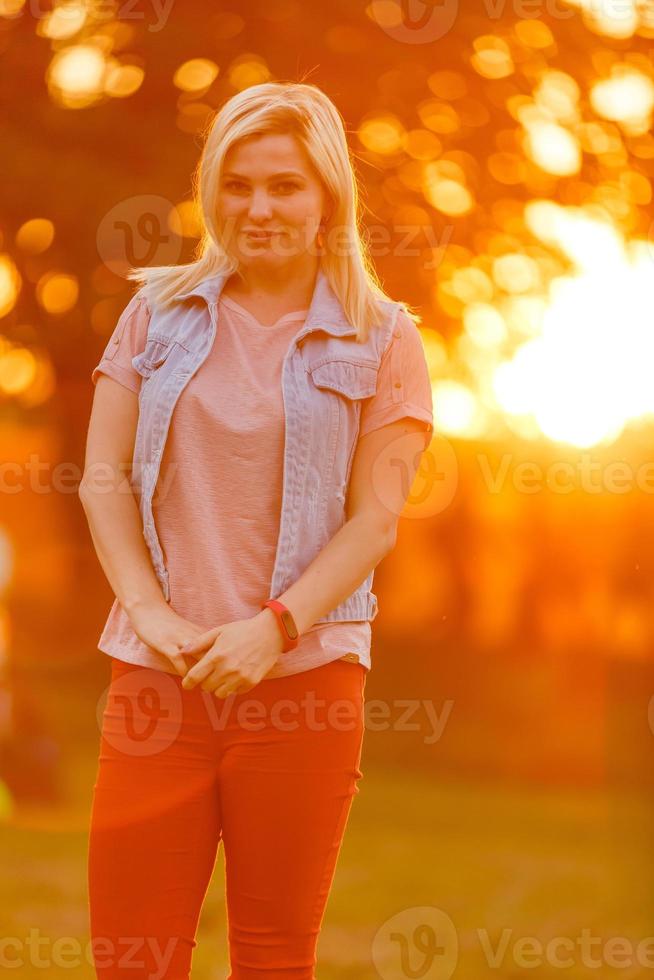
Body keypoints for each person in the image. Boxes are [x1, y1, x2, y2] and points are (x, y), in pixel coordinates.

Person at [80, 80, 434, 979]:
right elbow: (103, 480)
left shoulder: (384, 338)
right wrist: (152, 617)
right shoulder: (153, 313)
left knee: (274, 957)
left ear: (327, 197)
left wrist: (273, 628)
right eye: (237, 184)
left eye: (284, 185)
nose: (259, 207)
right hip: (158, 683)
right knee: (133, 957)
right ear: (210, 193)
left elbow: (375, 520)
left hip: (305, 686)